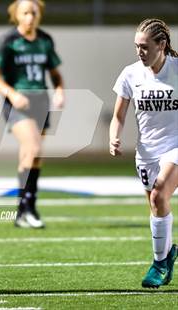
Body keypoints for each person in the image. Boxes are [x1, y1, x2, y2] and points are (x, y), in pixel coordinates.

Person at [110, 18, 177, 288]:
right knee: (155, 205)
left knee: (160, 194)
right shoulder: (130, 74)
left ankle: (159, 264)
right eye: (136, 46)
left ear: (162, 45)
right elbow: (118, 115)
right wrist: (113, 136)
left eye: (145, 47)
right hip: (147, 149)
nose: (139, 52)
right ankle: (167, 254)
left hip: (175, 145)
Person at [0, 0, 64, 228]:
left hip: (41, 101)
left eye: (34, 12)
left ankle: (23, 210)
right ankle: (29, 208)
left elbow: (55, 73)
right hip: (18, 103)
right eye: (25, 13)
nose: (30, 17)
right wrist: (11, 93)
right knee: (34, 148)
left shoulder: (45, 40)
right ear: (16, 15)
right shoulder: (9, 41)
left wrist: (59, 90)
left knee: (32, 156)